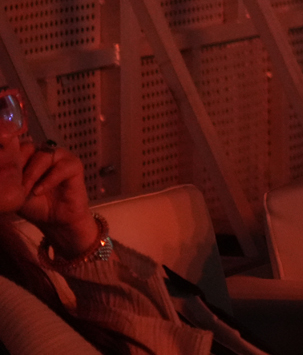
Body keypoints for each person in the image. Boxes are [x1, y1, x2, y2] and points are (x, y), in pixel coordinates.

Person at [1, 83, 273, 354]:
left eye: (2, 106)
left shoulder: (15, 260)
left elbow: (151, 339)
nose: (3, 134)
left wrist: (82, 237)